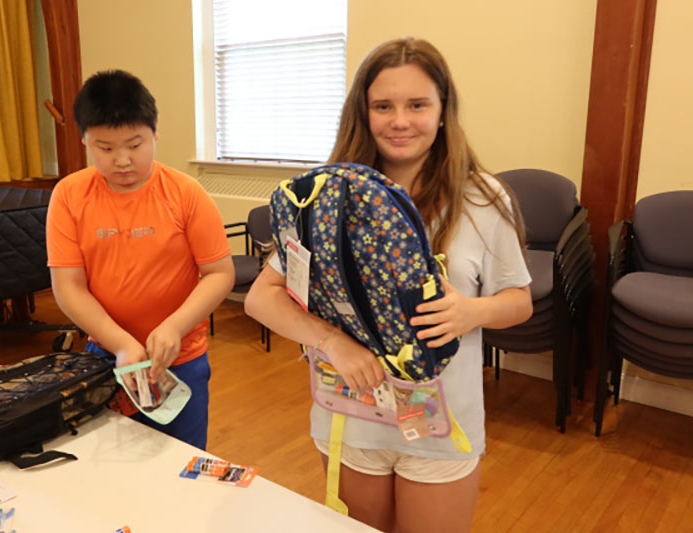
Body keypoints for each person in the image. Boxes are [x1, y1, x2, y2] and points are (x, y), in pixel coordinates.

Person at [244, 38, 533, 532]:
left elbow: (519, 301)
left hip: (444, 424)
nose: (400, 121)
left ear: (443, 112)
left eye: (417, 105)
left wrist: (472, 312)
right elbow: (260, 298)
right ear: (364, 113)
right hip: (351, 416)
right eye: (383, 106)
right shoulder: (325, 198)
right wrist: (331, 341)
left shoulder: (483, 197)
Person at [46, 70, 234, 450]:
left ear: (155, 131)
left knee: (182, 461)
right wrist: (120, 344)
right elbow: (68, 285)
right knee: (113, 460)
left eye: (135, 144)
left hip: (180, 357)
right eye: (105, 147)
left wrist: (174, 326)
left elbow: (219, 273)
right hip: (107, 355)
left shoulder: (186, 193)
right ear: (83, 139)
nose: (123, 161)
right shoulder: (69, 195)